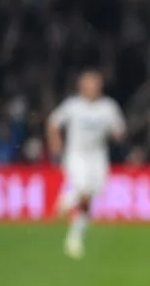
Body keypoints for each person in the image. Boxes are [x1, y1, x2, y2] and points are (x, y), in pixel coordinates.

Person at [46, 69, 126, 259]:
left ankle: (74, 238)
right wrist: (56, 148)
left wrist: (118, 136)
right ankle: (66, 201)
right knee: (83, 191)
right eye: (89, 84)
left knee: (90, 197)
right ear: (81, 86)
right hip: (76, 155)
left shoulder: (108, 107)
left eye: (96, 84)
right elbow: (53, 124)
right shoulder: (72, 106)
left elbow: (119, 131)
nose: (92, 88)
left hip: (98, 156)